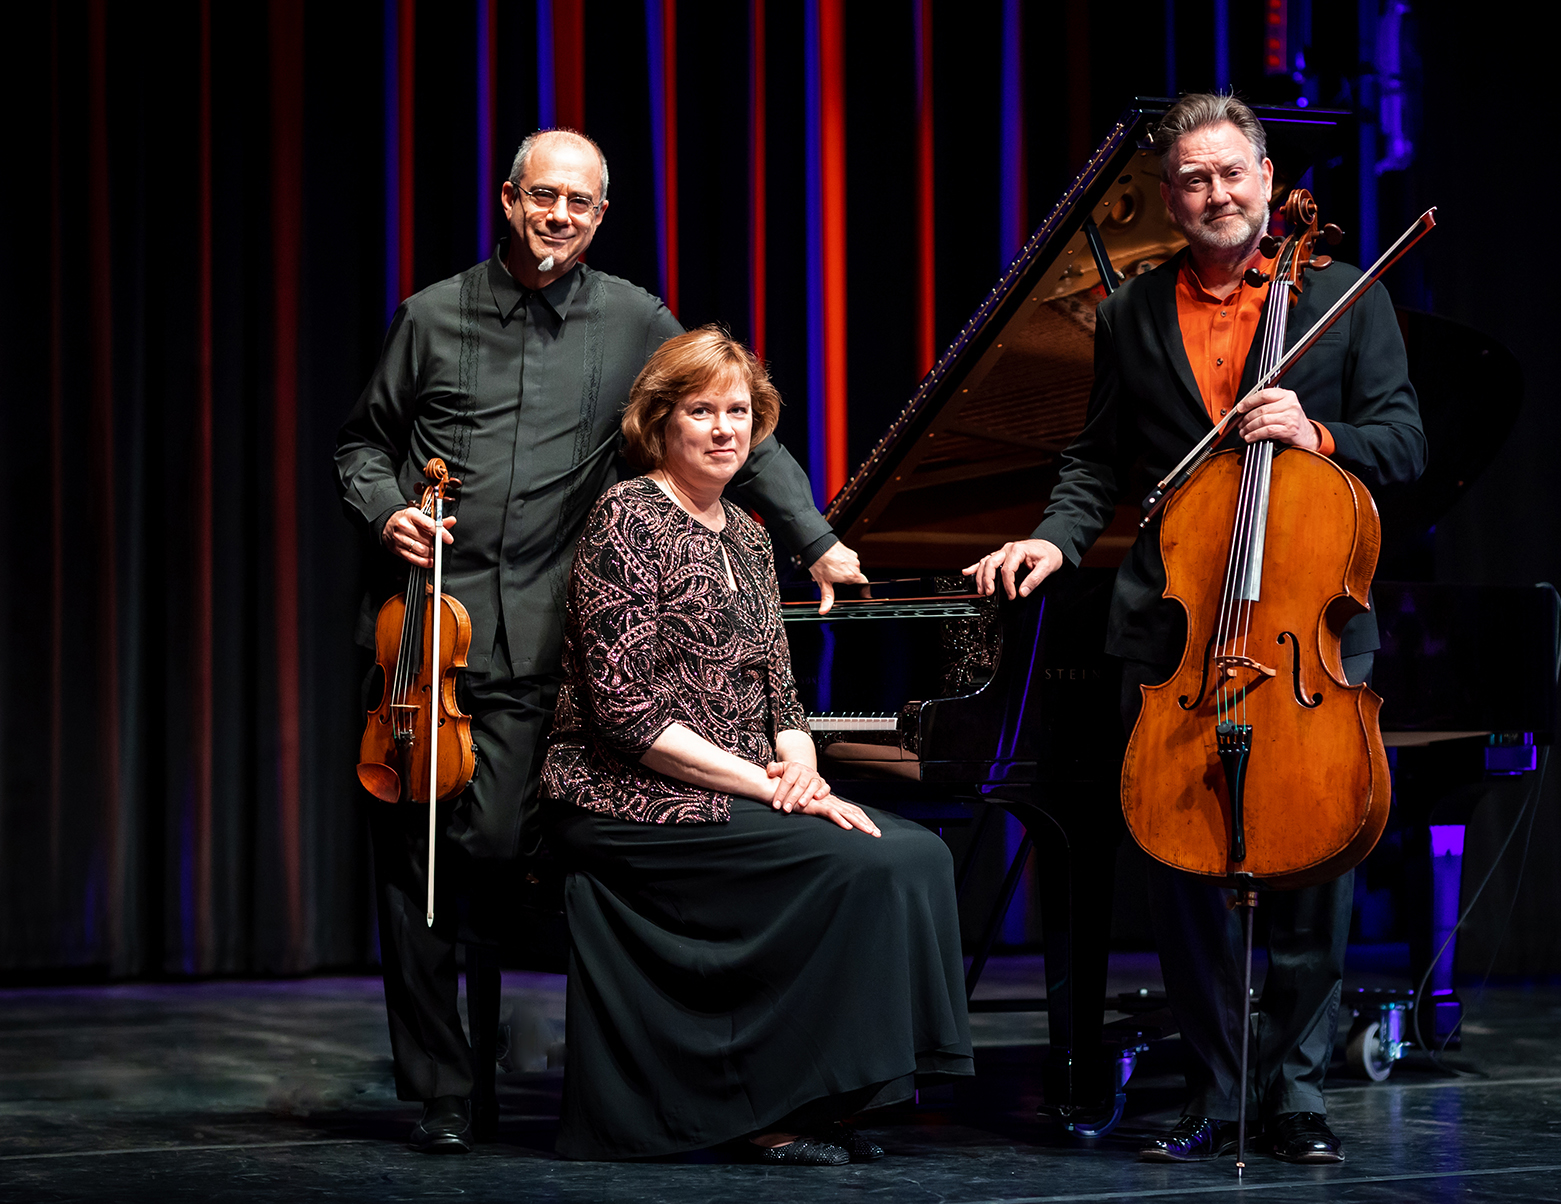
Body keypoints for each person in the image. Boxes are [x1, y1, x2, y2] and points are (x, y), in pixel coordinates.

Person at [334, 129, 867, 1154]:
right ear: (508, 199)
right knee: (420, 863)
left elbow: (739, 425)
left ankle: (638, 1068)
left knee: (503, 855)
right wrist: (387, 507)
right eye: (543, 197)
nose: (559, 217)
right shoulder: (431, 318)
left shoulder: (635, 320)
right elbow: (362, 440)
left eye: (579, 204)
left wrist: (820, 539)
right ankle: (447, 1088)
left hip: (557, 653)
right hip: (430, 647)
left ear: (600, 215)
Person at [964, 93, 1426, 1166]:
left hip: (1309, 628)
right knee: (1186, 875)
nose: (1216, 194)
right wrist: (1054, 539)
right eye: (1193, 180)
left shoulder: (1346, 298)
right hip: (1176, 639)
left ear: (1266, 181)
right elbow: (1094, 461)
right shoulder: (1129, 312)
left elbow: (1403, 443)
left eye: (1233, 174)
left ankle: (1294, 1095)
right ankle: (1217, 1093)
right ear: (1168, 197)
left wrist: (1316, 430)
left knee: (1315, 876)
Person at [538, 327, 973, 1163]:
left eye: (738, 411)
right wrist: (770, 787)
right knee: (862, 863)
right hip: (621, 793)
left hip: (735, 782)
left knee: (915, 854)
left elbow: (780, 686)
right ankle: (770, 1113)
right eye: (701, 411)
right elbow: (627, 716)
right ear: (660, 423)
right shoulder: (627, 519)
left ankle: (832, 1094)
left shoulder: (746, 531)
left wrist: (800, 762)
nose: (724, 429)